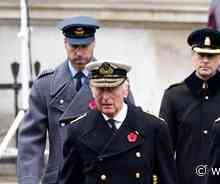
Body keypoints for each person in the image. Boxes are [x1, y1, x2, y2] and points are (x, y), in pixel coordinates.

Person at [17, 16, 134, 184]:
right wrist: (29, 180)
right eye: (74, 46)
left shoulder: (115, 82)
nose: (79, 52)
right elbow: (31, 141)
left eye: (84, 46)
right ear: (65, 43)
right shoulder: (46, 85)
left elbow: (130, 128)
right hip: (60, 177)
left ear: (94, 43)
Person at [60, 60, 176, 184]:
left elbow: (167, 179)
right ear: (92, 90)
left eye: (111, 89)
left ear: (125, 90)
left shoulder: (154, 128)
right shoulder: (78, 130)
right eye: (100, 89)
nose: (105, 97)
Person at [159, 28, 220, 184]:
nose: (205, 60)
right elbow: (165, 149)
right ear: (192, 55)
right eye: (200, 55)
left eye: (211, 56)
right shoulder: (174, 96)